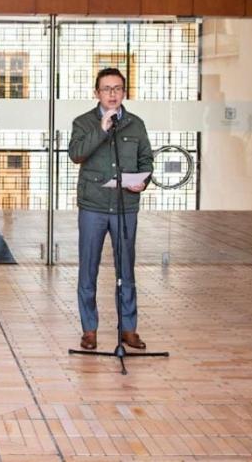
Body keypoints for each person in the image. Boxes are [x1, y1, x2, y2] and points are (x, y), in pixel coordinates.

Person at [68, 68, 153, 351]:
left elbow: (146, 161)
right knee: (88, 268)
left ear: (124, 92)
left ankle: (128, 328)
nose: (112, 94)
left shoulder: (136, 125)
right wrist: (101, 129)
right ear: (97, 93)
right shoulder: (83, 123)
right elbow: (76, 154)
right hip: (93, 205)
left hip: (125, 206)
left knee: (125, 269)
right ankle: (89, 330)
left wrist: (143, 181)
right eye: (107, 89)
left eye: (117, 88)